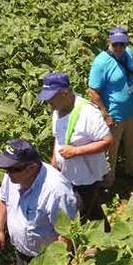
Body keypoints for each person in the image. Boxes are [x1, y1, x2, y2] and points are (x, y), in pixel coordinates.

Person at [0, 138, 79, 265]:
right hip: (22, 252)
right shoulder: (12, 176)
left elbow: (65, 232)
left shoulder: (56, 190)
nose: (7, 172)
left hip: (48, 259)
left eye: (12, 169)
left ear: (31, 168)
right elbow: (3, 198)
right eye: (6, 168)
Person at [37, 72, 113, 221]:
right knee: (91, 211)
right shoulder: (57, 110)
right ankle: (106, 236)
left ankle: (100, 239)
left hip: (86, 177)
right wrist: (54, 161)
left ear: (65, 93)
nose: (48, 102)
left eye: (51, 97)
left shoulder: (88, 112)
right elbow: (58, 138)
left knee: (82, 214)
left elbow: (108, 141)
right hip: (67, 174)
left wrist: (76, 151)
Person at [88, 27, 133, 187]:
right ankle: (108, 183)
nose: (119, 48)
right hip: (114, 115)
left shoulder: (128, 53)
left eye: (122, 44)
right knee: (110, 151)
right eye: (115, 44)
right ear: (109, 42)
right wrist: (106, 115)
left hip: (132, 111)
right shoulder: (101, 62)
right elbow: (93, 91)